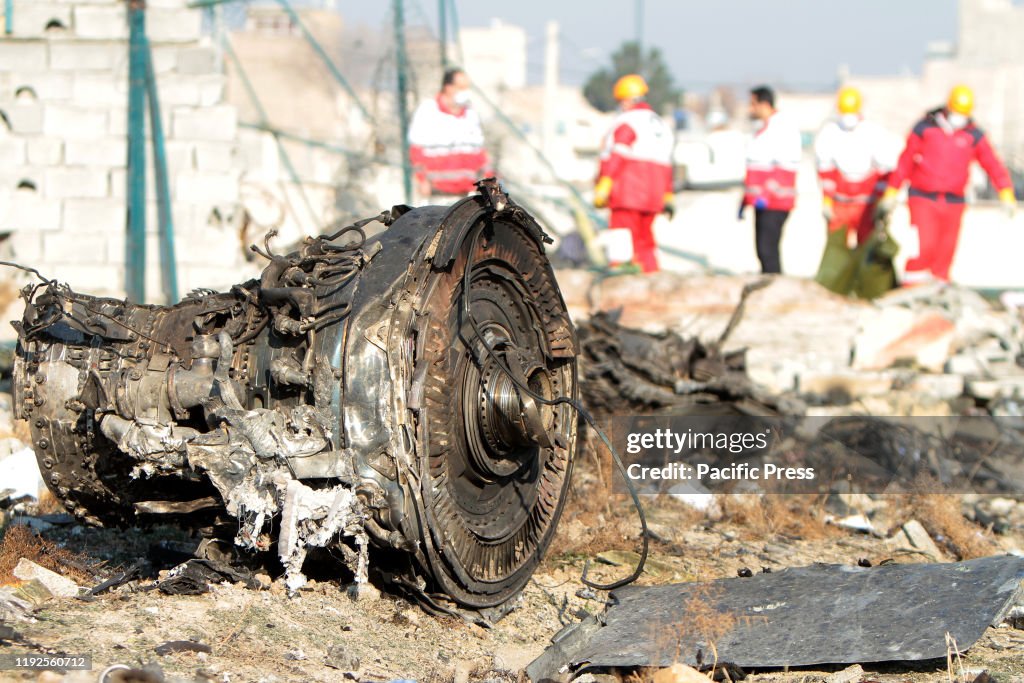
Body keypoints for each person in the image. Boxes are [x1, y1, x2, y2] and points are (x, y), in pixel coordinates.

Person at [878, 84, 1018, 283]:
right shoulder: (925, 128)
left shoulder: (973, 135)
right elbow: (906, 161)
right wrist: (891, 191)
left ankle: (939, 290)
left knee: (945, 251)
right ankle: (912, 288)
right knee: (923, 247)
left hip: (954, 201)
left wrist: (1005, 192)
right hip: (923, 198)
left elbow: (992, 164)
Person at [593, 74, 675, 273]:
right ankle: (651, 277)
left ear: (627, 99)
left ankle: (620, 281)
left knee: (621, 237)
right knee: (645, 241)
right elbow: (667, 163)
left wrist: (604, 184)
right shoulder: (661, 125)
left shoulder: (627, 121)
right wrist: (668, 195)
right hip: (654, 195)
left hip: (627, 193)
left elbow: (617, 156)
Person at [815, 86, 898, 246]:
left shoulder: (873, 132)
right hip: (840, 202)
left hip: (866, 203)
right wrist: (826, 201)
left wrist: (883, 198)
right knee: (836, 246)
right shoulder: (830, 133)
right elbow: (825, 171)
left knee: (868, 246)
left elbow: (885, 169)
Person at [739, 85, 802, 274]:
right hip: (763, 203)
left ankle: (775, 291)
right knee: (762, 251)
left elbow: (785, 168)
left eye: (753, 104)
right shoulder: (765, 130)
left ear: (764, 104)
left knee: (768, 251)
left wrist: (766, 194)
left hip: (774, 202)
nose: (750, 109)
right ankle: (769, 286)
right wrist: (745, 200)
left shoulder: (781, 129)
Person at [407, 68, 492, 198]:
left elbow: (480, 153)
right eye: (461, 87)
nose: (465, 92)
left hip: (467, 193)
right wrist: (422, 180)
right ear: (448, 87)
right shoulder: (428, 111)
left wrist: (488, 179)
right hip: (437, 193)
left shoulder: (470, 114)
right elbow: (416, 151)